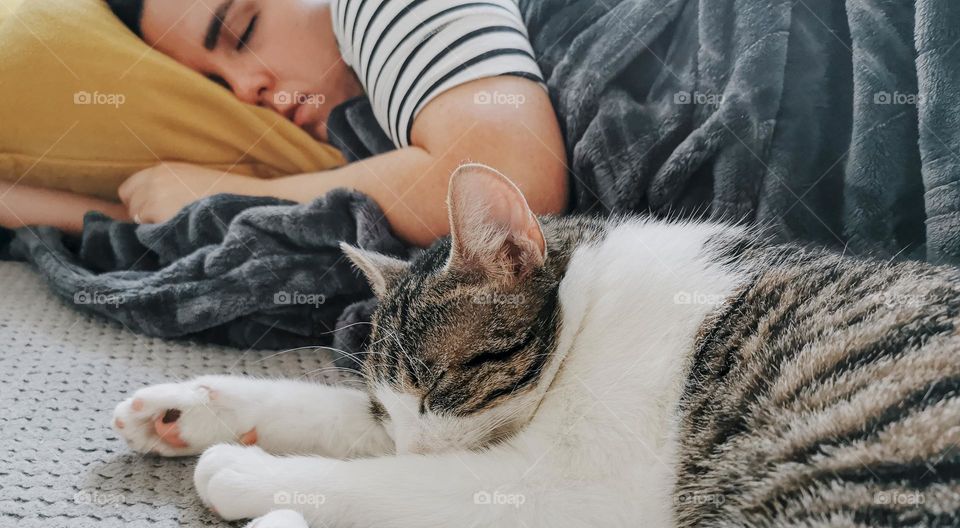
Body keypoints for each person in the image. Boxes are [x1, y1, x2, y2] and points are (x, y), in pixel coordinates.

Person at [0, 0, 568, 246]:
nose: (245, 88)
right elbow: (149, 222)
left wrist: (230, 194)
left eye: (244, 31)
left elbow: (511, 182)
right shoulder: (357, 135)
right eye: (216, 81)